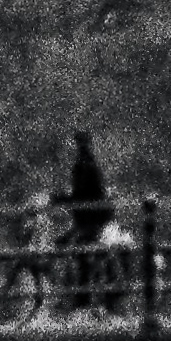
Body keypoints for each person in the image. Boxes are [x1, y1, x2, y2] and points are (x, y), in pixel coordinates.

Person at [64, 131, 111, 312]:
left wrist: (57, 200)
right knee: (80, 254)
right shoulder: (88, 163)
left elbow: (80, 194)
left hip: (90, 219)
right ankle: (81, 300)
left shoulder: (84, 166)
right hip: (90, 217)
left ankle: (82, 302)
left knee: (81, 254)